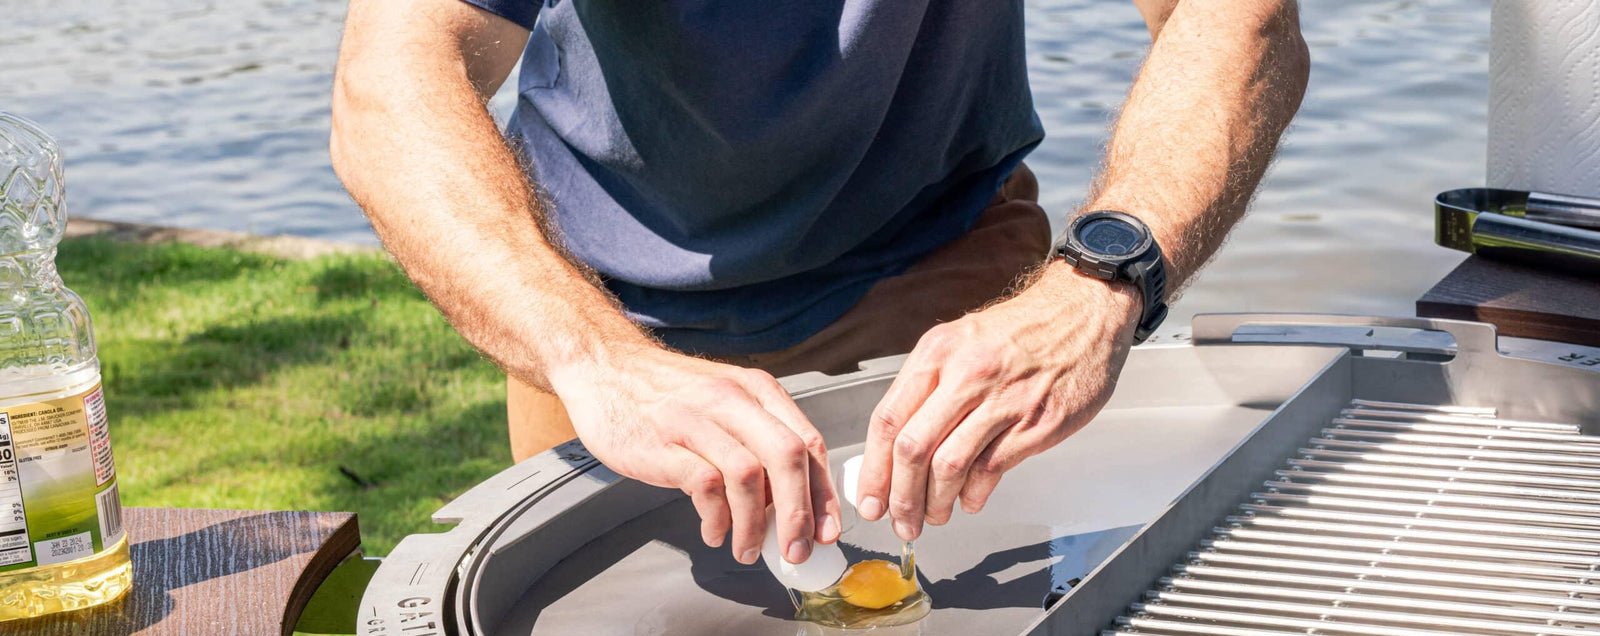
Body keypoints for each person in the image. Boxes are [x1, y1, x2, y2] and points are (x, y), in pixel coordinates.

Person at [331, 0, 1308, 570]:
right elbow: (394, 74)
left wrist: (1097, 282)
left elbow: (1236, 20)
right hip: (599, 311)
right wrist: (590, 354)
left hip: (932, 279)